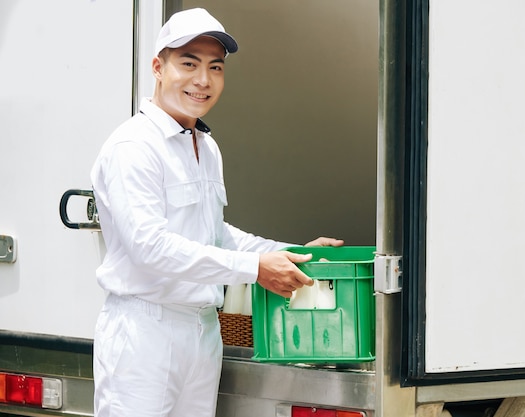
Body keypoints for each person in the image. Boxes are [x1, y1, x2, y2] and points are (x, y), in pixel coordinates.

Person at [89, 7, 343, 417]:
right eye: (188, 63)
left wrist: (288, 251)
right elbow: (149, 247)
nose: (203, 80)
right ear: (158, 66)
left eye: (215, 67)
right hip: (145, 334)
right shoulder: (133, 147)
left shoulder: (204, 146)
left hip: (202, 329)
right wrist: (255, 268)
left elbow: (213, 232)